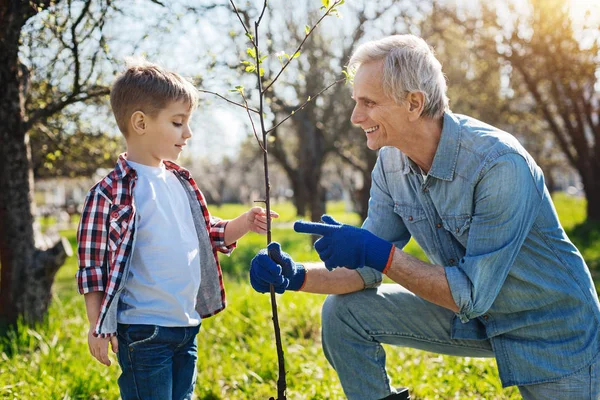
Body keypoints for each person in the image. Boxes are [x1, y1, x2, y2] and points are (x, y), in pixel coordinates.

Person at [249, 35, 600, 400]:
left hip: (551, 330)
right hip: (474, 317)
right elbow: (367, 270)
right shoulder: (390, 162)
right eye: (356, 102)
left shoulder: (498, 164)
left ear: (414, 103)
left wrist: (381, 255)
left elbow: (470, 294)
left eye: (368, 103)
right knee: (343, 313)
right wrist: (296, 275)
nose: (355, 117)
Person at [76, 60, 277, 400]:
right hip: (143, 330)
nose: (188, 133)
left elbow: (207, 234)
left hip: (186, 326)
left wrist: (244, 223)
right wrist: (98, 326)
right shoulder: (109, 193)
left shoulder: (181, 182)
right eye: (177, 122)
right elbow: (93, 269)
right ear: (140, 122)